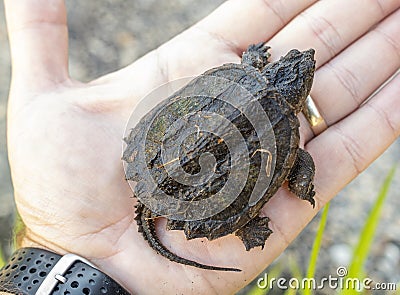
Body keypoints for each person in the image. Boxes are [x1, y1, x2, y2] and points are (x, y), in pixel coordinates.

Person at [1, 0, 399, 294]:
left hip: (157, 167)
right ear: (301, 96)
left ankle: (243, 224)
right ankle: (244, 227)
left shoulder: (242, 73)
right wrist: (305, 186)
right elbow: (296, 171)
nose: (305, 57)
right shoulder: (288, 135)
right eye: (299, 61)